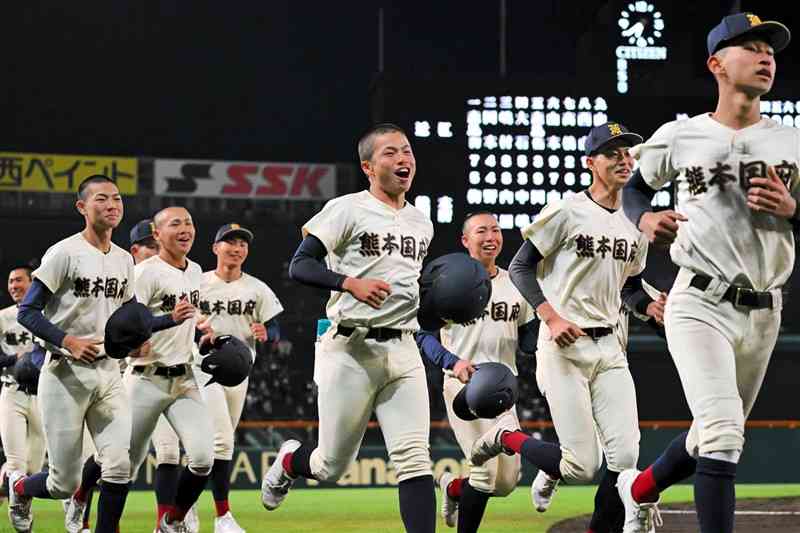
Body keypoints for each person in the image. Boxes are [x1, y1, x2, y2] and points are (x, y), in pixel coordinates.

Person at [617, 13, 797, 533]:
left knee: (710, 434)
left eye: (771, 49)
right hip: (698, 301)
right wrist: (645, 218)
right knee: (723, 435)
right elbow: (635, 191)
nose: (767, 57)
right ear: (717, 64)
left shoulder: (791, 142)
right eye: (752, 47)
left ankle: (640, 487)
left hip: (765, 309)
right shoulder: (682, 134)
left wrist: (794, 210)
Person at [470, 123, 665, 533]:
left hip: (611, 346)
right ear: (590, 163)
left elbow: (628, 286)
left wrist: (650, 305)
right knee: (582, 466)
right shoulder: (567, 211)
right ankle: (507, 439)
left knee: (626, 457)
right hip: (563, 347)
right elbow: (521, 266)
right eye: (613, 154)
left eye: (628, 153)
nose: (624, 160)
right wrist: (550, 315)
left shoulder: (636, 222)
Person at [262, 123, 436, 532]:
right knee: (331, 465)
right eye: (390, 153)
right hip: (349, 348)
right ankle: (290, 460)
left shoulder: (422, 222)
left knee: (414, 458)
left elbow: (412, 290)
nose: (403, 159)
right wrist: (349, 282)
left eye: (407, 151)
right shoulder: (347, 208)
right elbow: (299, 265)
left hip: (404, 348)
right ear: (368, 167)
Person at [12, 175, 157, 533]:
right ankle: (18, 488)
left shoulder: (124, 259)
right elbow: (27, 311)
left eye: (118, 199)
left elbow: (130, 311)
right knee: (63, 483)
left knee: (119, 466)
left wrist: (138, 338)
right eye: (102, 199)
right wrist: (67, 340)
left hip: (109, 373)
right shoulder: (64, 253)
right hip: (65, 374)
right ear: (82, 207)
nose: (112, 205)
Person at [415, 212, 537, 532]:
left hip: (502, 389)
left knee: (506, 483)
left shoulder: (516, 283)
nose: (490, 236)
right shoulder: (447, 282)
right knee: (483, 472)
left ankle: (453, 487)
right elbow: (423, 335)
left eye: (495, 230)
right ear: (465, 240)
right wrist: (452, 362)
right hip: (463, 386)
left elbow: (528, 339)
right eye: (481, 231)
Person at [63, 218, 165, 533]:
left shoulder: (166, 275)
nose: (155, 251)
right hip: (117, 372)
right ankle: (80, 497)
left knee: (124, 461)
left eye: (157, 245)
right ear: (135, 249)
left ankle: (91, 505)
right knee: (116, 460)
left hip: (155, 372)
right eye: (150, 246)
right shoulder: (123, 276)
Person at [124, 206, 216, 533]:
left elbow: (190, 318)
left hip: (184, 379)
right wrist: (136, 342)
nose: (185, 228)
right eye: (175, 223)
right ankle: (81, 499)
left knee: (204, 458)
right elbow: (124, 326)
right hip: (144, 378)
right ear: (157, 233)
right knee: (121, 466)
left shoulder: (195, 271)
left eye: (189, 222)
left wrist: (205, 335)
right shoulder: (143, 273)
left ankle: (171, 522)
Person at [192, 223, 283, 533]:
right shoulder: (198, 283)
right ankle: (223, 516)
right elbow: (178, 320)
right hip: (203, 368)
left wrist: (267, 332)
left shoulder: (256, 288)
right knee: (222, 440)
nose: (237, 247)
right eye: (229, 242)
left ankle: (186, 503)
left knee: (214, 445)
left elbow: (276, 327)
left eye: (242, 243)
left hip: (240, 372)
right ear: (215, 248)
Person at [0, 265, 45, 501]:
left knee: (34, 466)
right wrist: (12, 359)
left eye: (19, 280)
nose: (13, 286)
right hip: (12, 390)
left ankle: (21, 505)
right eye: (10, 281)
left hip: (42, 394)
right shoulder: (3, 316)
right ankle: (15, 510)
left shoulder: (47, 314)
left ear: (32, 283)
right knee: (15, 461)